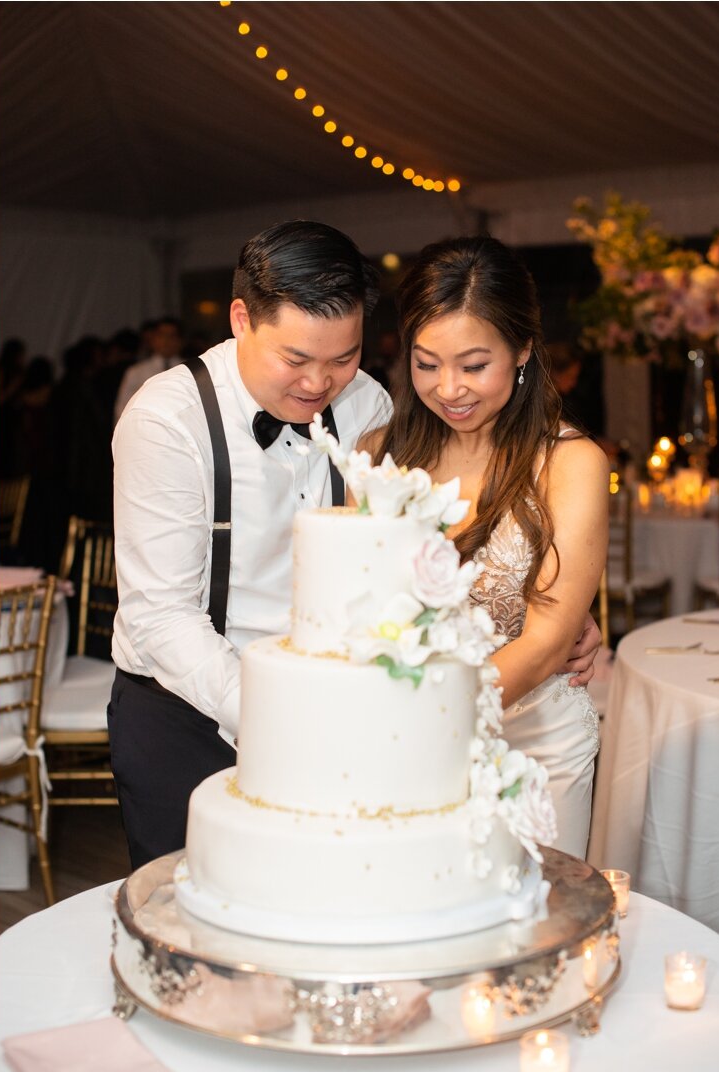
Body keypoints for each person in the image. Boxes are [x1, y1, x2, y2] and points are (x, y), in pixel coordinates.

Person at [108, 220, 604, 870]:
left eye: (342, 358)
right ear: (240, 318)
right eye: (296, 359)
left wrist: (546, 603)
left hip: (356, 724)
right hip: (192, 714)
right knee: (198, 916)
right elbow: (163, 620)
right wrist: (294, 715)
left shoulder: (371, 409)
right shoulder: (165, 422)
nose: (319, 383)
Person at [364, 236, 608, 857]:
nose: (450, 389)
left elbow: (550, 636)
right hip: (396, 743)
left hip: (535, 747)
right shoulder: (374, 457)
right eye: (426, 364)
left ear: (523, 347)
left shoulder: (570, 463)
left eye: (475, 365)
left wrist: (430, 720)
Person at [113, 317, 185, 423]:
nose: (166, 341)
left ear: (180, 341)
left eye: (172, 336)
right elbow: (122, 408)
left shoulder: (189, 370)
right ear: (153, 339)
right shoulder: (136, 372)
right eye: (162, 335)